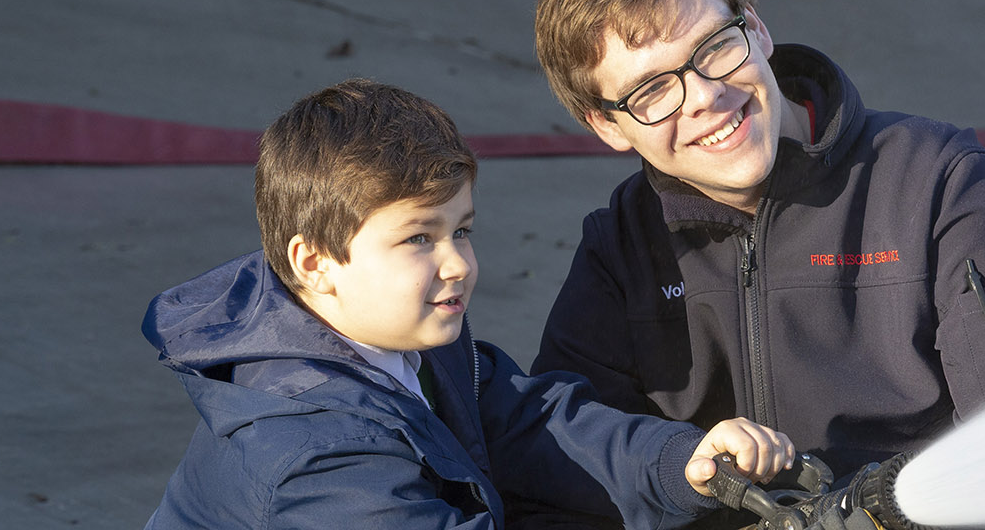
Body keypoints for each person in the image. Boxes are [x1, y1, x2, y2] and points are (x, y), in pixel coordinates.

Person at [524, 0, 985, 526]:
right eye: (652, 90)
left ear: (756, 30)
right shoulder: (619, 246)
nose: (706, 96)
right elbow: (557, 469)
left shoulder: (943, 185)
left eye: (713, 47)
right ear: (606, 126)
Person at [139, 79, 796, 529]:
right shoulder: (317, 455)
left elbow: (523, 425)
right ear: (314, 262)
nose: (457, 263)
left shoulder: (402, 336)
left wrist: (680, 462)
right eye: (418, 239)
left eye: (461, 230)